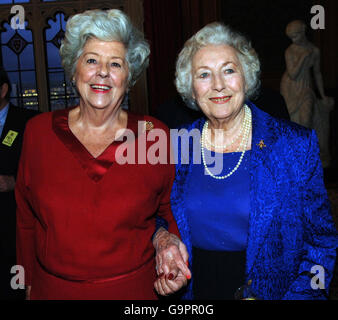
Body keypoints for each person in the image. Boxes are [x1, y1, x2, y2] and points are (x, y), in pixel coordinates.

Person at [155, 22, 338, 300]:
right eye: (204, 74)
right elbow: (152, 216)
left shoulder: (294, 145)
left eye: (229, 70)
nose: (218, 85)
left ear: (246, 77)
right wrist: (162, 241)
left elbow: (321, 243)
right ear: (191, 89)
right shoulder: (174, 146)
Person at [15, 9, 190, 300]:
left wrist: (171, 255)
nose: (103, 72)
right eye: (92, 60)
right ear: (74, 69)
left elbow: (172, 212)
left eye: (116, 64)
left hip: (134, 294)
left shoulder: (154, 134)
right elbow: (24, 218)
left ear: (129, 76)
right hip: (53, 291)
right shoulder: (37, 133)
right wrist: (27, 282)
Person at [0, 68, 39, 300]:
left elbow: (49, 171)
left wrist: (15, 181)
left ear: (3, 90)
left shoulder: (31, 123)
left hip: (16, 226)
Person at [280, 20, 334, 167]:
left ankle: (308, 156)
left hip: (305, 87)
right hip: (290, 87)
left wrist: (322, 96)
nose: (293, 40)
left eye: (296, 36)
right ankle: (298, 157)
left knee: (306, 120)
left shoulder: (314, 50)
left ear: (303, 32)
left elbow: (317, 74)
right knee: (292, 120)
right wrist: (303, 56)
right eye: (291, 37)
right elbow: (293, 74)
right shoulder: (290, 51)